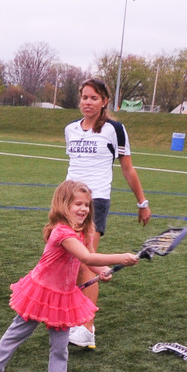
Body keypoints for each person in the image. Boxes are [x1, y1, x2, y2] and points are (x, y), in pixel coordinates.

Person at [0, 180, 138, 372]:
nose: (83, 209)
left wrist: (103, 271)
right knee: (15, 335)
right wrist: (121, 258)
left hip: (63, 297)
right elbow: (86, 257)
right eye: (77, 204)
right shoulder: (61, 232)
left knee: (60, 347)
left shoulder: (85, 231)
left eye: (87, 205)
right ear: (64, 205)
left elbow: (90, 262)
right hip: (40, 293)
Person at [63, 77, 150, 350]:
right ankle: (74, 318)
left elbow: (127, 168)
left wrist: (142, 202)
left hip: (95, 202)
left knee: (86, 262)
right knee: (68, 262)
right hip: (67, 201)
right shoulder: (70, 129)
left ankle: (87, 328)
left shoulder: (114, 129)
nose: (87, 103)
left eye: (93, 98)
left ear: (104, 102)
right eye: (84, 97)